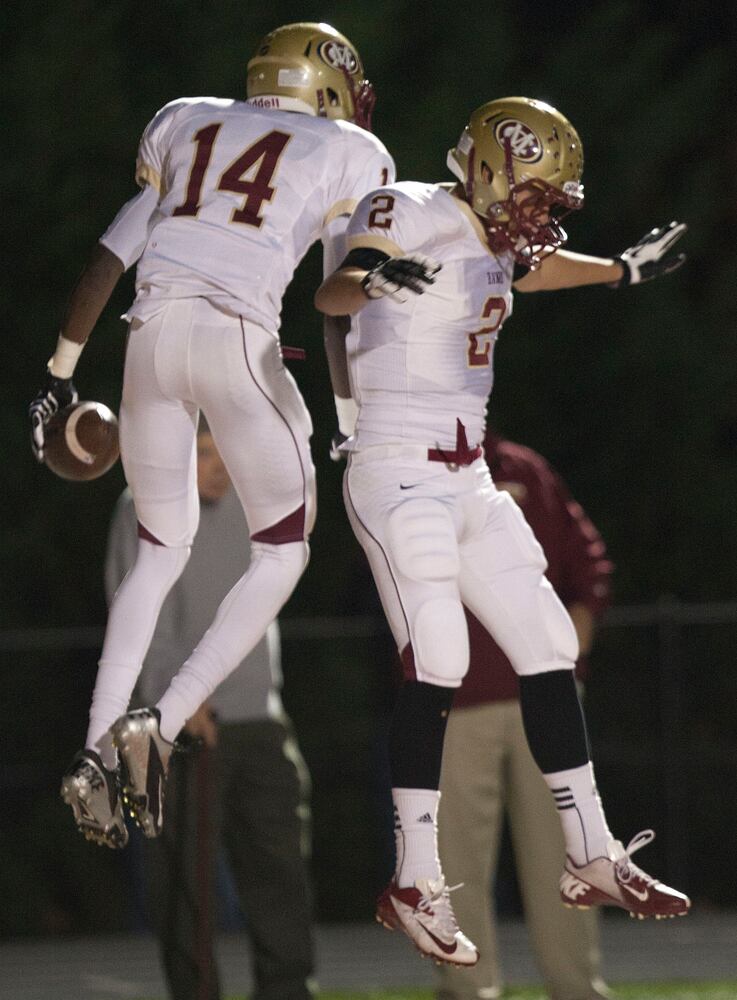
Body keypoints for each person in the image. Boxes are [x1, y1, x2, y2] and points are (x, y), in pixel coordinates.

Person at [315, 96, 690, 967]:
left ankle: (590, 853)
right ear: (487, 168)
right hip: (395, 467)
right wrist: (375, 279)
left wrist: (619, 273)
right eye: (532, 193)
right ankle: (412, 878)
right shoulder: (407, 207)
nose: (538, 213)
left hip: (469, 475)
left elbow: (527, 274)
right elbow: (333, 290)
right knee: (439, 659)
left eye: (548, 200)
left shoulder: (492, 242)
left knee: (549, 642)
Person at [28, 22, 395, 846]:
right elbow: (336, 311)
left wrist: (59, 376)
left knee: (159, 551)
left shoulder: (187, 121)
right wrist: (351, 425)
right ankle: (159, 724)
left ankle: (95, 747)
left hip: (149, 338)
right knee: (284, 549)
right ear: (328, 88)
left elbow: (104, 262)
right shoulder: (347, 150)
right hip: (235, 338)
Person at [106, 420, 314, 1000]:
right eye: (204, 451)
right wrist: (174, 696)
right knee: (186, 889)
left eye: (226, 450)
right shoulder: (144, 510)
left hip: (259, 719)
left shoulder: (257, 503)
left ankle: (288, 992)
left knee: (281, 873)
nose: (220, 464)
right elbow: (137, 616)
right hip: (180, 727)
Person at [436, 427, 613, 1000]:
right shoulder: (409, 470)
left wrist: (579, 626)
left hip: (544, 691)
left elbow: (588, 558)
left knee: (566, 849)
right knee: (455, 858)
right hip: (455, 696)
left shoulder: (525, 469)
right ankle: (467, 989)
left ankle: (576, 986)